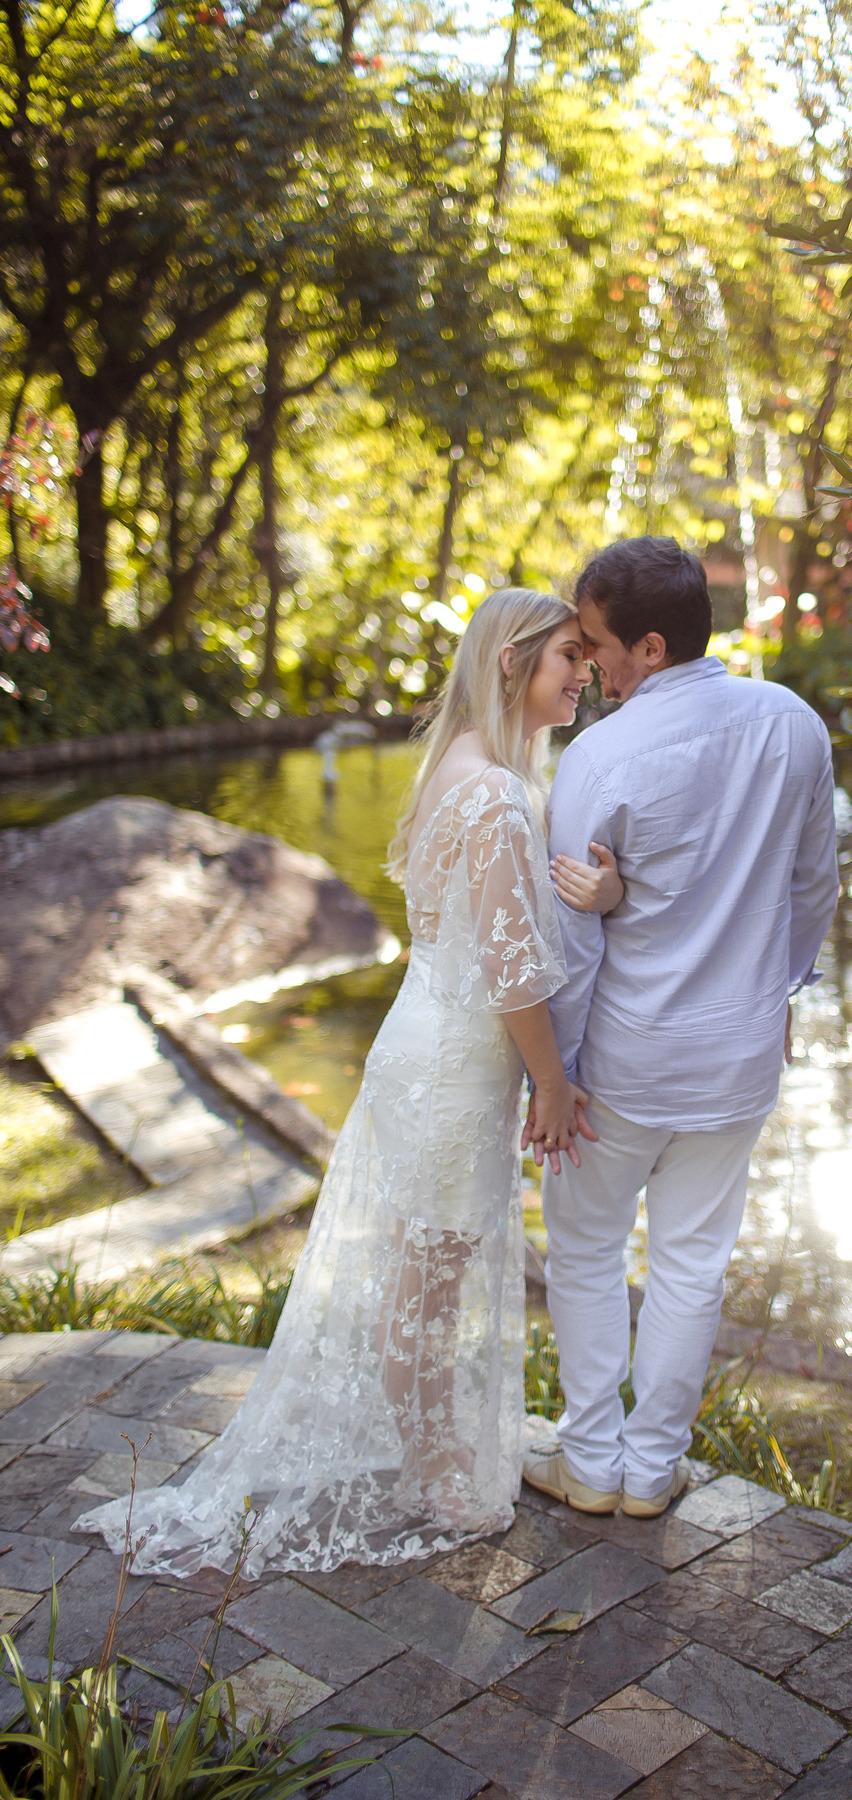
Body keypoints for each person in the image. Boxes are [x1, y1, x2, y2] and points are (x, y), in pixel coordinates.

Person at [76, 589, 620, 1576]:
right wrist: (553, 1082)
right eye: (569, 659)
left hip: (423, 1040)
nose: (583, 674)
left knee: (423, 1272)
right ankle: (440, 1477)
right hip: (458, 1063)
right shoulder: (497, 791)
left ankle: (431, 1455)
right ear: (512, 663)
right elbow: (510, 967)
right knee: (430, 1282)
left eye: (586, 659)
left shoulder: (457, 764)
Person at [523, 537, 839, 1519]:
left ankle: (590, 1460)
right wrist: (776, 998)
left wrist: (555, 1076)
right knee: (693, 1262)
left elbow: (573, 939)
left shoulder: (602, 755)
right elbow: (814, 887)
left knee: (583, 1251)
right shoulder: (792, 724)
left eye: (598, 646)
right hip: (737, 1056)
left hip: (622, 1059)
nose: (588, 664)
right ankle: (652, 1471)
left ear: (650, 648)